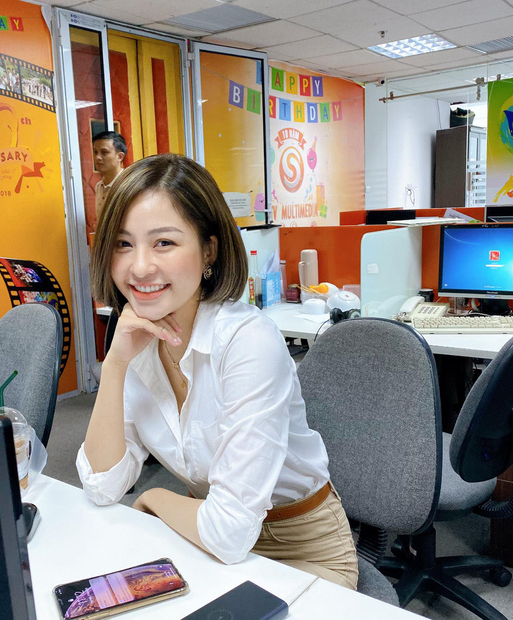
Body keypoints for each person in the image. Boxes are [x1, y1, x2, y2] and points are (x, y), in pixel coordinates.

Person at [77, 153, 358, 588]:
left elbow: (229, 531)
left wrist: (154, 496)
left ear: (208, 250)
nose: (140, 266)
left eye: (164, 243)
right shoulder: (137, 341)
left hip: (299, 546)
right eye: (123, 244)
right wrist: (115, 364)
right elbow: (102, 486)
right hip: (201, 536)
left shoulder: (247, 341)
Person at [92, 131, 127, 221]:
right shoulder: (99, 186)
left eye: (104, 152)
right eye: (95, 152)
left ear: (120, 156)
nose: (97, 157)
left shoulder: (128, 185)